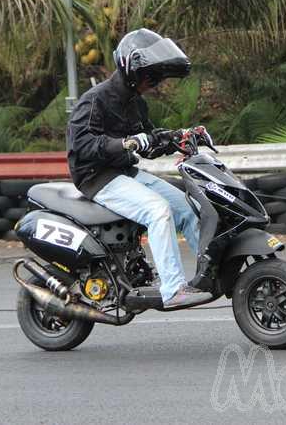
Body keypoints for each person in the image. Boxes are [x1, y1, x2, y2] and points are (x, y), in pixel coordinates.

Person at [66, 28, 212, 308]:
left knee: (188, 207)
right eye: (151, 76)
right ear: (131, 70)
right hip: (97, 178)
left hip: (125, 173)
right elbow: (82, 145)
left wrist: (178, 138)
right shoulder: (95, 99)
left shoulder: (136, 104)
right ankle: (173, 290)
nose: (155, 83)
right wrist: (123, 143)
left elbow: (149, 143)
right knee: (158, 211)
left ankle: (209, 274)